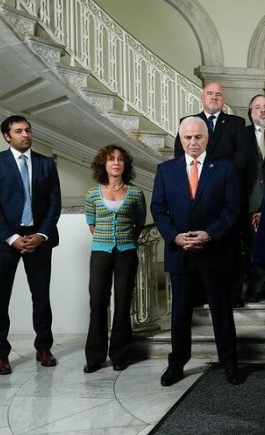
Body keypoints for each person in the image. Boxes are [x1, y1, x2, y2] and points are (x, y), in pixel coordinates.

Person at [151, 116, 244, 386]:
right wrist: (175, 237)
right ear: (180, 140)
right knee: (180, 313)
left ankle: (230, 362)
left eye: (198, 137)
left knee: (221, 311)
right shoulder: (165, 170)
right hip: (180, 253)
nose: (193, 142)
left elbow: (232, 209)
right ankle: (177, 363)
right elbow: (158, 209)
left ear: (207, 139)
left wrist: (210, 234)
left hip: (214, 252)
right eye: (187, 137)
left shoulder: (225, 169)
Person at [0, 115, 62, 374]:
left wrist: (42, 234)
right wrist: (13, 238)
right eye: (18, 131)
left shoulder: (46, 164)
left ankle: (44, 347)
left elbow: (53, 203)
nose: (25, 135)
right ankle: (0, 355)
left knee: (41, 296)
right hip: (3, 241)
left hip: (38, 238)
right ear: (7, 136)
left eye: (28, 130)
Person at [174, 82, 250, 308]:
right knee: (198, 244)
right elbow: (181, 156)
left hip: (228, 192)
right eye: (210, 93)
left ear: (223, 98)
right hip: (197, 193)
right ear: (202, 97)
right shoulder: (187, 123)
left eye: (219, 94)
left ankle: (233, 295)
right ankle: (199, 296)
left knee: (231, 247)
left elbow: (243, 157)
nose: (214, 97)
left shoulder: (236, 123)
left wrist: (220, 178)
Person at [82, 145, 146, 373]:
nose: (116, 162)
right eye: (111, 159)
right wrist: (107, 239)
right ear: (104, 164)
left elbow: (139, 222)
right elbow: (92, 224)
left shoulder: (136, 193)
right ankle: (95, 356)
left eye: (120, 159)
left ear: (125, 164)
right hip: (100, 252)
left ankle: (119, 355)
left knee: (122, 302)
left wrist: (125, 239)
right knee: (98, 302)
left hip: (127, 252)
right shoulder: (92, 193)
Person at [243, 94, 265, 302]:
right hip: (251, 198)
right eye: (257, 107)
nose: (263, 110)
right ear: (251, 113)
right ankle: (256, 287)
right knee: (252, 247)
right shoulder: (242, 134)